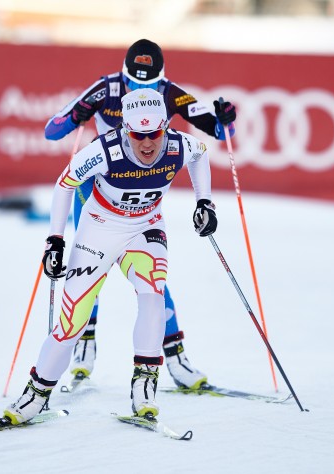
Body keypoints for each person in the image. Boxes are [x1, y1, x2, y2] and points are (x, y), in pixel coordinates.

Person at [4, 88, 218, 424]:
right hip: (98, 233)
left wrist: (204, 201)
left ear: (165, 127)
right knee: (72, 323)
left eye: (154, 134)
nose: (147, 144)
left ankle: (144, 386)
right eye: (138, 135)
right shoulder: (103, 151)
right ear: (124, 130)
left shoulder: (179, 144)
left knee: (153, 295)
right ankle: (36, 393)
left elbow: (201, 153)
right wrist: (55, 241)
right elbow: (64, 184)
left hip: (145, 230)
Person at [43, 38, 236, 390]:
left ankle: (177, 361)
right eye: (135, 83)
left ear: (161, 78)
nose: (141, 91)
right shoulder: (106, 87)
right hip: (94, 194)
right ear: (124, 73)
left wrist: (226, 119)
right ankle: (84, 350)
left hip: (142, 202)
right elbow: (52, 130)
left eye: (150, 85)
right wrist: (76, 114)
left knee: (153, 283)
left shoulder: (170, 93)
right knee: (86, 275)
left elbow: (220, 133)